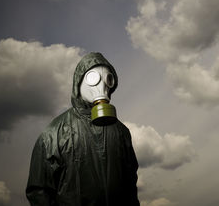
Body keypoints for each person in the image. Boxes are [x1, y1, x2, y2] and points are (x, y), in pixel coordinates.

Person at [26, 52, 139, 206]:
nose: (102, 86)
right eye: (93, 78)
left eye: (108, 79)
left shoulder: (121, 132)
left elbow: (130, 184)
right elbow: (39, 191)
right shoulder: (54, 133)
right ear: (78, 82)